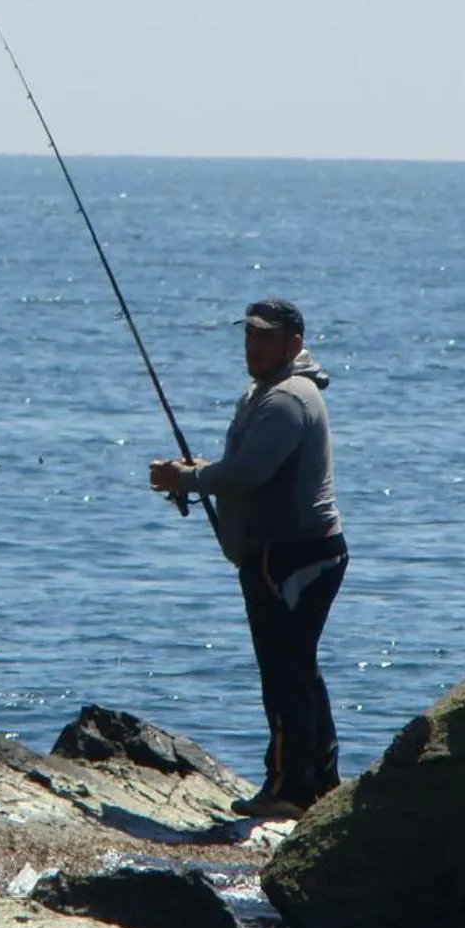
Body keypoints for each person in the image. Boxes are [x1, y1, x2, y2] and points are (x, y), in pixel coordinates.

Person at [150, 297, 347, 820]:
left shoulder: (287, 399)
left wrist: (187, 478)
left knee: (284, 673)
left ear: (294, 344)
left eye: (265, 337)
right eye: (249, 336)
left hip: (291, 557)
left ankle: (289, 789)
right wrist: (198, 471)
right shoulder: (270, 393)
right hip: (296, 553)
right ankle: (321, 784)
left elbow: (247, 475)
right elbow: (244, 467)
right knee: (298, 669)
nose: (253, 345)